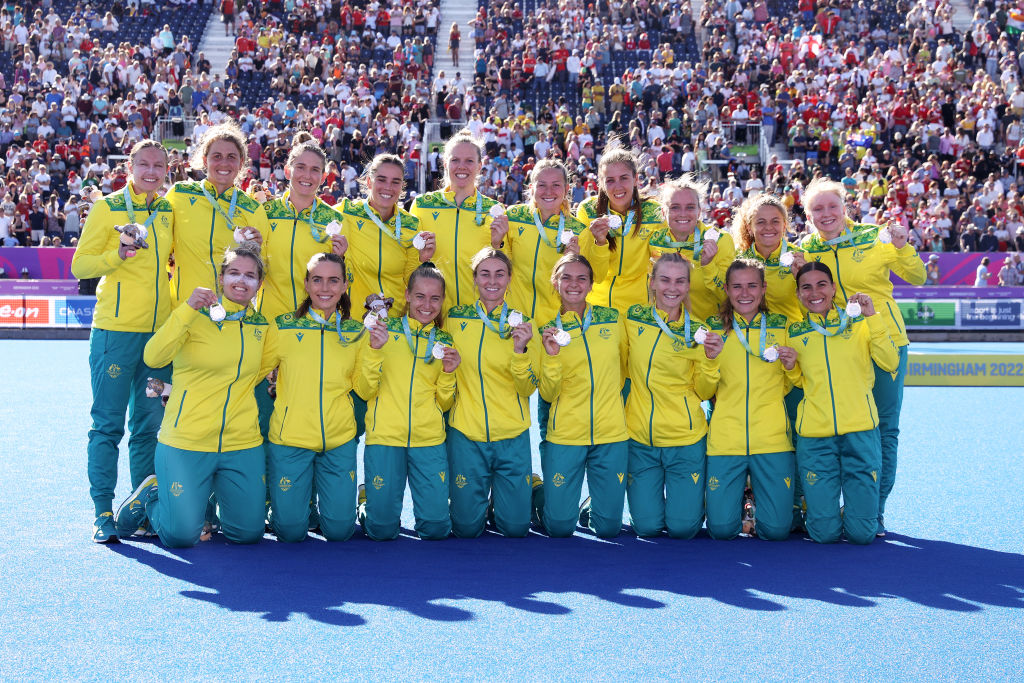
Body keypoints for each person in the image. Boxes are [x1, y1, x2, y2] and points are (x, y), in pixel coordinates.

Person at [114, 245, 271, 548]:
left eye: (250, 275)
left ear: (260, 284)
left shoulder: (263, 327)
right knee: (181, 536)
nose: (242, 281)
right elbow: (154, 356)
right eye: (234, 272)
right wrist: (186, 309)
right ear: (221, 277)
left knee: (248, 534)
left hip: (241, 443)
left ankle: (207, 499)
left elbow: (265, 369)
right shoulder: (194, 316)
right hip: (186, 441)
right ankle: (152, 496)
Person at [799, 178, 925, 536]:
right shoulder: (806, 248)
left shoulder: (874, 236)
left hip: (885, 341)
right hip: (838, 346)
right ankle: (817, 504)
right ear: (808, 215)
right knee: (838, 425)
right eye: (817, 209)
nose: (826, 214)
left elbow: (917, 277)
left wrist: (902, 247)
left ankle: (875, 509)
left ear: (846, 207)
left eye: (831, 206)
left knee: (885, 428)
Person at [71, 140, 174, 543]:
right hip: (115, 335)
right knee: (108, 425)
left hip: (157, 342)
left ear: (168, 169)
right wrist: (117, 255)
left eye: (159, 165)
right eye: (144, 164)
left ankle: (142, 508)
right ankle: (102, 510)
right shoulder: (107, 207)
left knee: (150, 424)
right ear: (129, 166)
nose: (151, 171)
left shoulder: (168, 210)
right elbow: (81, 264)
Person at [786, 262, 899, 544]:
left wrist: (873, 316)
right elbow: (801, 381)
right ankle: (825, 510)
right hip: (815, 436)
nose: (815, 293)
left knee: (862, 535)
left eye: (821, 284)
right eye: (806, 287)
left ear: (833, 288)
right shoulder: (795, 332)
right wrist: (790, 367)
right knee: (823, 534)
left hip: (860, 431)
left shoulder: (859, 321)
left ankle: (857, 510)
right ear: (798, 294)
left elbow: (890, 361)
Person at [261, 253, 364, 542]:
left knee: (340, 531)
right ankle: (286, 507)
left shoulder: (357, 332)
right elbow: (253, 372)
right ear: (306, 284)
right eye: (317, 279)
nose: (325, 288)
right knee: (290, 533)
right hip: (290, 440)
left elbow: (366, 390)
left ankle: (341, 502)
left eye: (333, 280)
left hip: (338, 440)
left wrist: (376, 352)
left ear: (345, 285)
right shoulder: (282, 327)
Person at [356, 263, 460, 541]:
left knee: (437, 530)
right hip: (385, 438)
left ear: (442, 300)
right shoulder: (383, 330)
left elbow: (446, 403)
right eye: (420, 296)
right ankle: (367, 502)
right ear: (407, 295)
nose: (427, 305)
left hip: (428, 440)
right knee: (380, 531)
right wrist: (375, 351)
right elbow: (365, 390)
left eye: (435, 298)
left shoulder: (444, 341)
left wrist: (449, 374)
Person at [445, 247, 540, 538]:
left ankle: (527, 490)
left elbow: (528, 387)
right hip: (466, 433)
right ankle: (475, 502)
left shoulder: (524, 324)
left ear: (509, 278)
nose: (492, 281)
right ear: (474, 278)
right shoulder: (454, 320)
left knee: (515, 528)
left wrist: (520, 351)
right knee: (466, 529)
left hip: (511, 435)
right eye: (484, 274)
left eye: (500, 274)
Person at [699, 259, 796, 541]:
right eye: (737, 286)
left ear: (764, 288)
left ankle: (751, 504)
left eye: (752, 285)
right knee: (720, 531)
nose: (745, 293)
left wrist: (791, 367)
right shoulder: (713, 330)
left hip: (772, 439)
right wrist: (709, 361)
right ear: (727, 290)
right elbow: (704, 391)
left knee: (777, 532)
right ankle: (742, 504)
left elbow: (792, 384)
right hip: (726, 440)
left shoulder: (783, 326)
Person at [535, 254, 628, 538]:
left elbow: (625, 370)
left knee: (609, 528)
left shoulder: (612, 320)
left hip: (610, 434)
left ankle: (591, 507)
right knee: (558, 527)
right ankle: (535, 492)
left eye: (581, 278)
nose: (574, 284)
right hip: (566, 434)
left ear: (591, 284)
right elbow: (548, 393)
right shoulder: (546, 330)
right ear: (555, 282)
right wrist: (551, 357)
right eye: (566, 277)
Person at [623, 253, 711, 538]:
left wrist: (710, 360)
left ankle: (704, 503)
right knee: (647, 528)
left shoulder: (699, 332)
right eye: (665, 280)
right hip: (640, 438)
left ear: (687, 286)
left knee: (683, 529)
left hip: (684, 440)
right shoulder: (633, 319)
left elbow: (705, 391)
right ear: (652, 283)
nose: (672, 288)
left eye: (680, 281)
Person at [167, 120, 271, 308]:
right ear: (205, 160)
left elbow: (263, 268)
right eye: (217, 156)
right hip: (183, 310)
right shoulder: (179, 194)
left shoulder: (253, 209)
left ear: (241, 163)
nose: (224, 163)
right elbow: (161, 249)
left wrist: (257, 249)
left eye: (231, 157)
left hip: (230, 315)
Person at [501, 159, 609, 325]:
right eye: (542, 185)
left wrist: (592, 250)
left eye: (556, 185)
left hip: (555, 323)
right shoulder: (514, 217)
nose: (548, 191)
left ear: (566, 189)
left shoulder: (579, 230)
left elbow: (598, 277)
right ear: (531, 188)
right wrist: (496, 243)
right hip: (514, 318)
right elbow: (501, 265)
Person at [411, 131, 506, 311]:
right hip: (432, 314)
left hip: (477, 316)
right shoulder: (422, 205)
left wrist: (497, 243)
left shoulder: (494, 211)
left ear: (479, 166)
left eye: (469, 161)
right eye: (455, 160)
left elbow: (506, 268)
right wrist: (420, 258)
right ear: (445, 163)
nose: (461, 167)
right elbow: (408, 261)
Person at [338, 153, 433, 311]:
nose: (388, 187)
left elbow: (411, 280)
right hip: (354, 322)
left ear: (402, 186)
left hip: (395, 323)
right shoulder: (347, 212)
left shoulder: (412, 224)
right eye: (381, 180)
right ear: (369, 182)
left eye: (395, 182)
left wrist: (422, 260)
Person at [575, 145, 663, 312]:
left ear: (636, 179)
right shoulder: (588, 211)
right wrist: (599, 243)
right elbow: (595, 276)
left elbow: (662, 263)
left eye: (624, 178)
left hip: (640, 307)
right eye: (610, 180)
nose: (618, 187)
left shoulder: (654, 211)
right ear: (600, 183)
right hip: (599, 307)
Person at [649, 174, 736, 320]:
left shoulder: (720, 240)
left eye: (690, 207)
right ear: (664, 212)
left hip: (705, 333)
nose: (683, 214)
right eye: (675, 207)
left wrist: (709, 266)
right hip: (663, 330)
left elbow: (729, 296)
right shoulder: (654, 239)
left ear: (699, 212)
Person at [732, 193, 803, 321]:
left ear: (784, 226)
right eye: (761, 222)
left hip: (791, 338)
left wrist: (803, 278)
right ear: (749, 228)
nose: (768, 227)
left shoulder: (801, 257)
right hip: (750, 338)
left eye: (775, 221)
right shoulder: (737, 259)